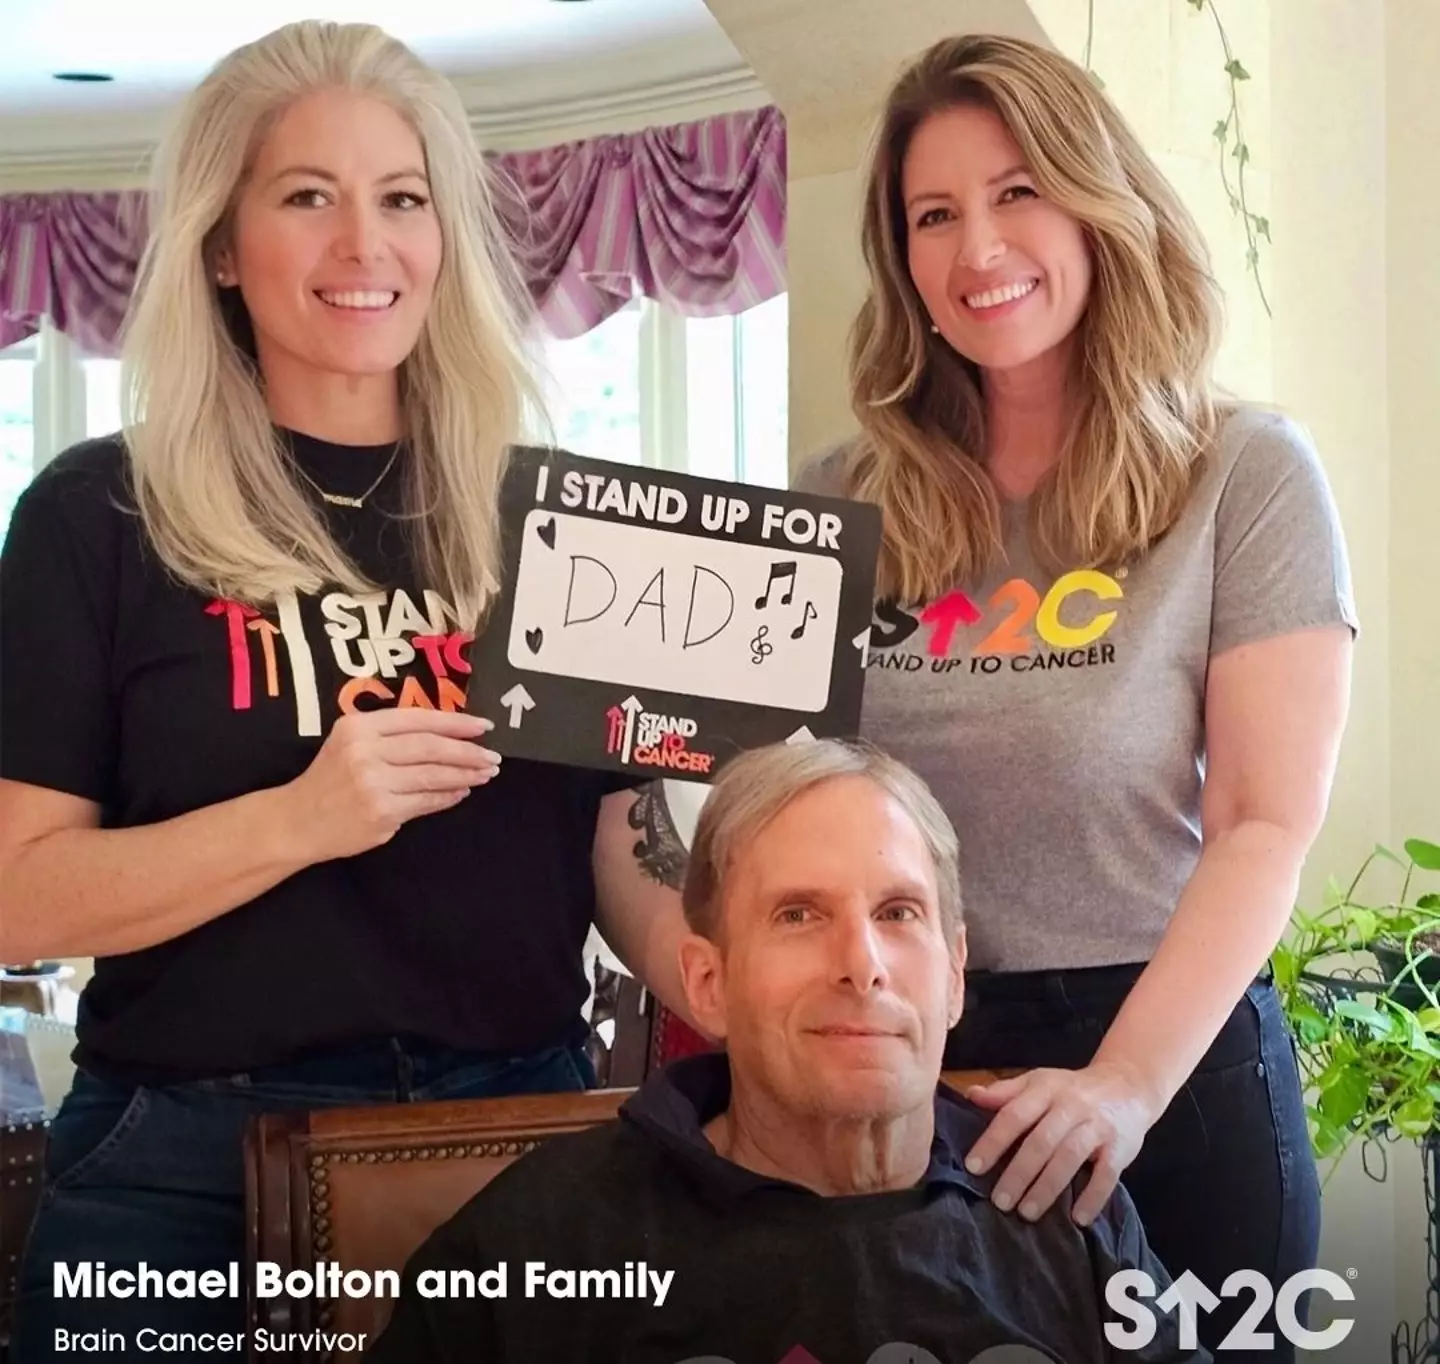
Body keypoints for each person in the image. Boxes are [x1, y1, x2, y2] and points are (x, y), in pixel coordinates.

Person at [0, 21, 690, 1362]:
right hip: (185, 1158)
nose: (364, 247)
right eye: (307, 197)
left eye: (403, 199)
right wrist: (302, 819)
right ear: (219, 243)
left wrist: (711, 957)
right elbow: (19, 889)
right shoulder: (99, 513)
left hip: (523, 1132)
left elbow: (611, 841)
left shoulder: (540, 511)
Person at [794, 33, 1356, 1362]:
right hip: (916, 1067)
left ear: (1099, 202)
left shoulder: (1246, 472)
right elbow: (764, 796)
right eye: (935, 215)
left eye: (1019, 190)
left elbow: (1268, 826)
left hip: (1177, 1068)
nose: (978, 245)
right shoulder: (837, 498)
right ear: (904, 260)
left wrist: (1123, 1088)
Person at [367, 739, 1206, 1364]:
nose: (861, 966)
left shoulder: (1068, 1210)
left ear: (953, 974)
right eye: (798, 915)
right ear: (706, 981)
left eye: (898, 913)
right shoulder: (538, 1245)